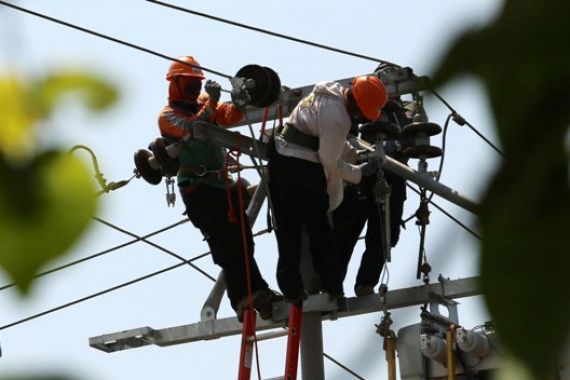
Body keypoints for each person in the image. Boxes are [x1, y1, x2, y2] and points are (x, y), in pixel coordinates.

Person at [157, 55, 279, 321]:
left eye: (197, 84)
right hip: (198, 188)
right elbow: (193, 129)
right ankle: (246, 297)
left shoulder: (202, 104)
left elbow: (227, 116)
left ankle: (256, 292)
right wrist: (211, 102)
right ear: (175, 83)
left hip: (222, 185)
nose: (195, 90)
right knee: (228, 246)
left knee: (243, 240)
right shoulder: (168, 116)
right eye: (189, 84)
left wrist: (237, 102)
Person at [267, 76, 388, 303]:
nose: (360, 119)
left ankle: (292, 290)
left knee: (287, 231)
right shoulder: (339, 118)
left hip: (281, 161)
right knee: (319, 230)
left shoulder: (328, 95)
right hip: (301, 168)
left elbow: (328, 138)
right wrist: (360, 173)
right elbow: (329, 161)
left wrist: (354, 154)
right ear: (357, 105)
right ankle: (333, 288)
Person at [332, 94, 411, 297]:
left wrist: (395, 147)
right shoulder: (364, 107)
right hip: (362, 173)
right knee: (344, 232)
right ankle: (332, 284)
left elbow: (413, 139)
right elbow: (344, 136)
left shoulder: (402, 114)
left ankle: (364, 283)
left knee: (383, 234)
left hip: (390, 178)